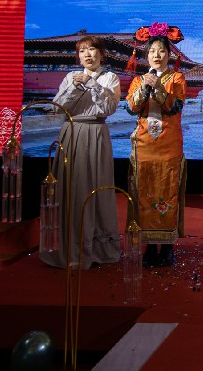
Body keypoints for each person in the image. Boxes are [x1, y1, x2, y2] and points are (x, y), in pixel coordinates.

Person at [43, 35, 122, 269]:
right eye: (82, 51)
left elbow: (109, 107)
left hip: (96, 133)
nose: (87, 54)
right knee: (70, 188)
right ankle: (68, 248)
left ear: (102, 54)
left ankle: (96, 249)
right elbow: (58, 108)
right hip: (71, 132)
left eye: (92, 49)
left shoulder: (110, 78)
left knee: (96, 188)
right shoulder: (70, 77)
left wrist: (91, 84)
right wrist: (76, 86)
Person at [126, 23, 188, 268]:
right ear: (146, 55)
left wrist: (159, 87)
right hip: (144, 146)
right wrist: (145, 86)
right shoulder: (138, 80)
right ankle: (149, 246)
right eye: (152, 51)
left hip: (169, 146)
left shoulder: (177, 78)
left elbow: (175, 107)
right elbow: (132, 108)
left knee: (168, 191)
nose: (157, 55)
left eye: (162, 51)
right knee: (143, 193)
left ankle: (168, 246)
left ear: (169, 54)